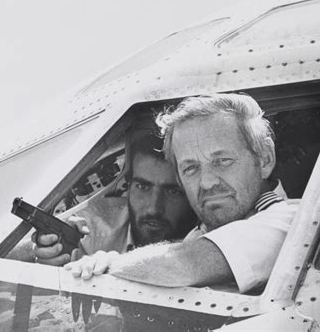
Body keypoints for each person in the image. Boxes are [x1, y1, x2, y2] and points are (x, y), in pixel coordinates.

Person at [65, 93, 297, 293]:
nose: (206, 183)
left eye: (222, 161)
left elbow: (182, 264)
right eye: (191, 168)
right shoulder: (200, 233)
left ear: (265, 159)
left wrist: (109, 264)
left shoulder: (291, 221)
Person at [8, 132, 197, 265]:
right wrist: (41, 248)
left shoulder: (207, 236)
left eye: (173, 192)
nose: (154, 208)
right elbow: (0, 256)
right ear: (128, 187)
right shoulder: (97, 223)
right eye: (143, 187)